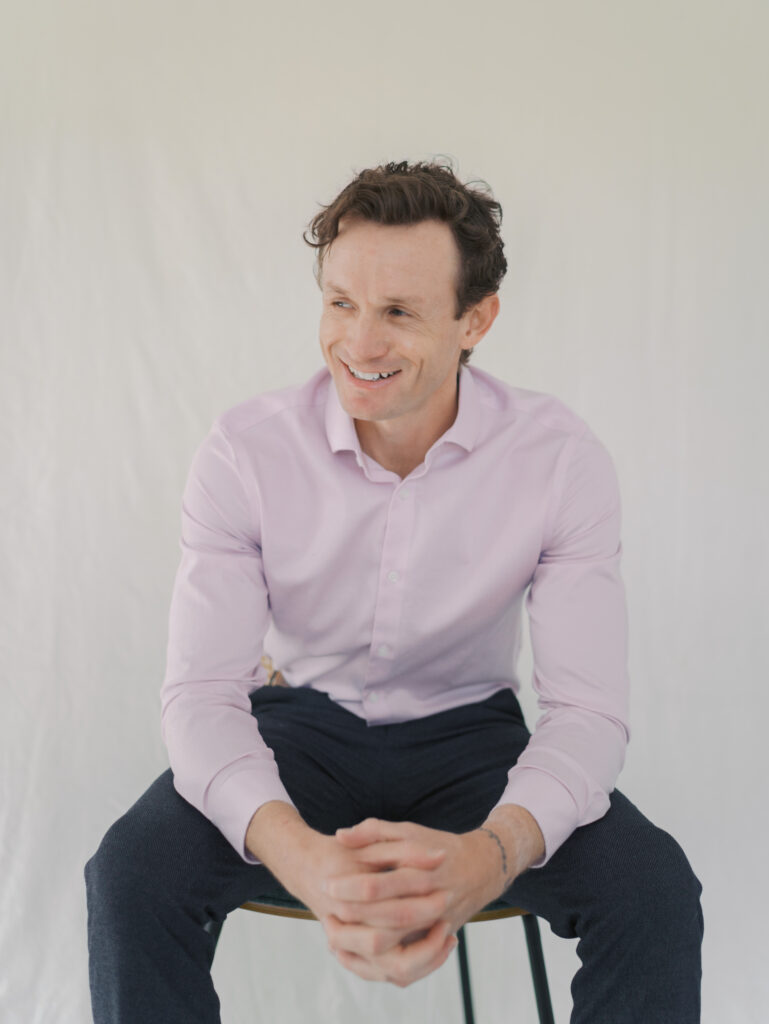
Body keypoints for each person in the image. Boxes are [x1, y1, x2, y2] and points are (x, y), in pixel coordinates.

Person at [85, 160, 703, 1022]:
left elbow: (587, 714)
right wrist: (301, 858)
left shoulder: (558, 460)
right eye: (340, 303)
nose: (358, 344)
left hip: (472, 738)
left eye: (399, 313)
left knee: (652, 890)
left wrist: (491, 856)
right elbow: (198, 697)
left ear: (475, 321)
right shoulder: (244, 452)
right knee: (129, 877)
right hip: (299, 724)